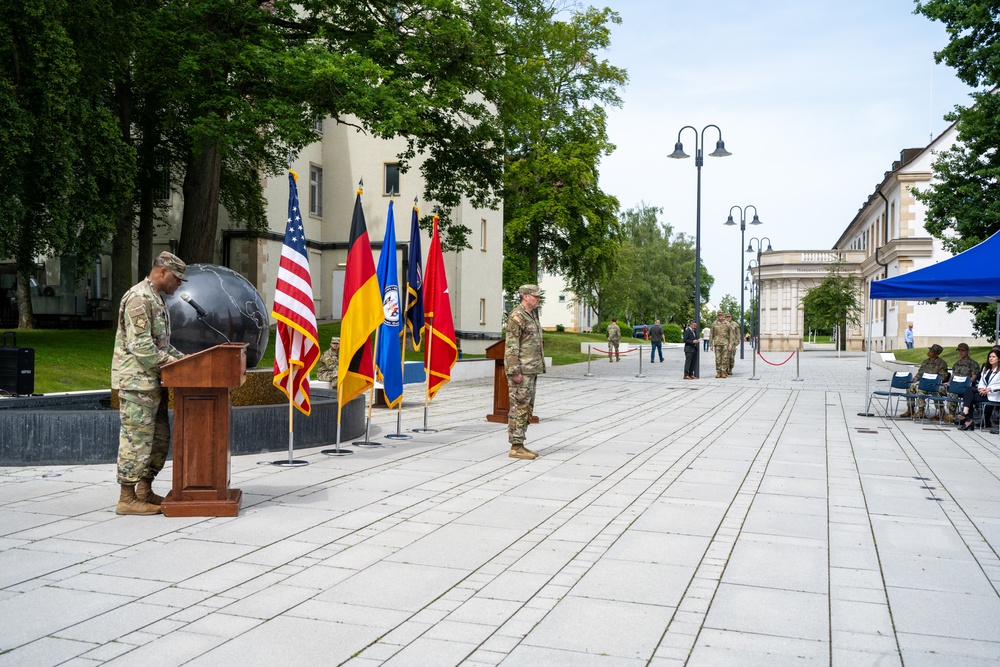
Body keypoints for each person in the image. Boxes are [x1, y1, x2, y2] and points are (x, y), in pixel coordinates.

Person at [111, 251, 187, 516]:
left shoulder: (155, 298)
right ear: (163, 271)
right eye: (177, 278)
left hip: (154, 382)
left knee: (157, 442)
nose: (179, 284)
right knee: (136, 441)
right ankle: (126, 498)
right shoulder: (138, 298)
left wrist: (187, 360)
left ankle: (143, 491)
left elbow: (161, 345)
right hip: (137, 384)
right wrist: (175, 364)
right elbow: (141, 347)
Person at [505, 284, 545, 459]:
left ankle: (521, 443)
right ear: (525, 296)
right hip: (521, 371)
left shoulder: (532, 315)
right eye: (535, 296)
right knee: (518, 407)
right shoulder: (517, 316)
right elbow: (511, 346)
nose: (538, 299)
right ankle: (515, 446)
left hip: (531, 369)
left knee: (527, 407)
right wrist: (515, 371)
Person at [900, 343, 950, 419]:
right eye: (930, 350)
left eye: (931, 351)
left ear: (936, 354)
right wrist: (915, 379)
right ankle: (910, 409)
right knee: (910, 387)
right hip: (924, 383)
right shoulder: (926, 362)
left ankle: (921, 411)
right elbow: (920, 373)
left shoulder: (941, 363)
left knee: (921, 389)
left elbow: (942, 377)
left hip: (935, 385)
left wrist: (930, 381)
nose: (929, 351)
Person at [957, 348, 1000, 431]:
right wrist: (981, 389)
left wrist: (989, 389)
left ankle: (968, 419)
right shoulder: (986, 369)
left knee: (969, 397)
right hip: (983, 392)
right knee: (969, 390)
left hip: (993, 394)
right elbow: (981, 381)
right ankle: (966, 414)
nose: (991, 358)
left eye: (993, 357)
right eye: (990, 357)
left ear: (999, 359)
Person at [941, 343, 978, 424]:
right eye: (959, 351)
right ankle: (947, 414)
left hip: (965, 387)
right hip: (955, 386)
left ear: (967, 351)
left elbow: (973, 377)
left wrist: (965, 382)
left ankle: (955, 415)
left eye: (963, 350)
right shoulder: (957, 364)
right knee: (945, 391)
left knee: (954, 393)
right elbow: (953, 376)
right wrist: (949, 383)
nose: (960, 352)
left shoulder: (973, 364)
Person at [710, 311, 733, 378]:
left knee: (725, 358)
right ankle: (718, 372)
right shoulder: (714, 324)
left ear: (723, 316)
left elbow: (731, 335)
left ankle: (723, 372)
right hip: (717, 344)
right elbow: (711, 334)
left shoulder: (728, 324)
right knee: (717, 359)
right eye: (719, 315)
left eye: (721, 315)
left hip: (725, 344)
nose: (720, 316)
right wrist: (711, 344)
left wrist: (730, 344)